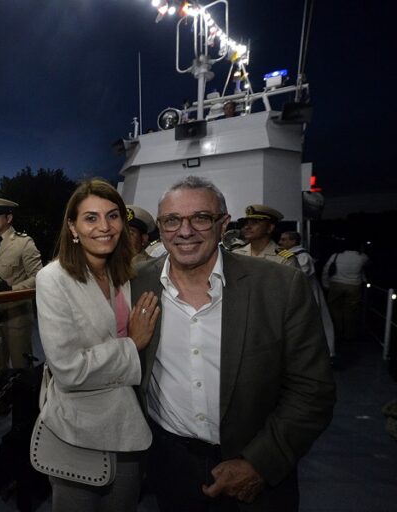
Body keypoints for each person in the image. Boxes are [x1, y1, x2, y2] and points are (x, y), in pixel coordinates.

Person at [132, 176, 335, 511]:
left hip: (256, 468)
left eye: (200, 218)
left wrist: (260, 463)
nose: (185, 231)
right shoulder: (135, 283)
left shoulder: (280, 286)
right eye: (172, 220)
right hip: (170, 465)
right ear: (160, 227)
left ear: (223, 224)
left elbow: (313, 389)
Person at [36, 178, 160, 511]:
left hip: (130, 424)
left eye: (113, 216)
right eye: (90, 218)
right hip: (80, 429)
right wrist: (131, 345)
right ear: (72, 227)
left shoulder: (128, 275)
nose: (104, 227)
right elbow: (68, 370)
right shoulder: (53, 278)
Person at [0, 197, 42, 388]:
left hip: (16, 315)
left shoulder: (24, 243)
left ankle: (24, 409)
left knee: (21, 366)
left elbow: (39, 277)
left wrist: (12, 290)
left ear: (8, 218)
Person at [279, 231, 336, 356]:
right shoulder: (290, 254)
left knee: (313, 323)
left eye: (284, 240)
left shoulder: (302, 256)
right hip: (299, 294)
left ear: (293, 241)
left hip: (308, 293)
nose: (280, 242)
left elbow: (301, 274)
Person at [321, 238, 369, 344]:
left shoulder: (336, 255)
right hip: (354, 285)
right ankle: (349, 335)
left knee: (334, 308)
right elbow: (362, 270)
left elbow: (326, 269)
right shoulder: (363, 257)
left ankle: (337, 331)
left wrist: (325, 284)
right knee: (351, 311)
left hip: (336, 284)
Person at [233, 204, 300, 269]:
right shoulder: (236, 254)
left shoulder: (284, 259)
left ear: (270, 228)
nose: (247, 227)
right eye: (246, 223)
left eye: (255, 222)